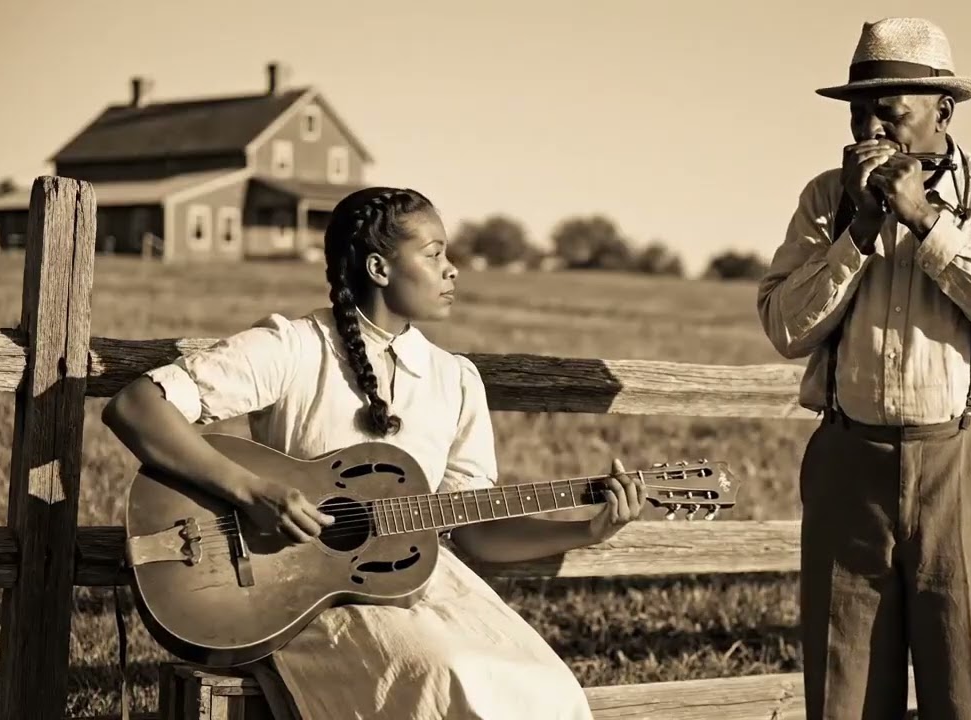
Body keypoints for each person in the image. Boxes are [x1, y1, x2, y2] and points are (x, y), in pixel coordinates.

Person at [103, 186, 647, 719]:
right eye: (434, 254)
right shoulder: (293, 347)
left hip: (429, 586)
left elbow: (473, 526)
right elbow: (136, 408)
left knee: (547, 688)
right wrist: (253, 490)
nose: (453, 268)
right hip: (299, 593)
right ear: (379, 269)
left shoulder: (455, 380)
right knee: (446, 674)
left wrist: (586, 530)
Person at [757, 17, 971, 720]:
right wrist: (858, 232)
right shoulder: (826, 199)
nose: (872, 129)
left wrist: (926, 220)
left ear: (943, 111)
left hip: (969, 464)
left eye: (890, 113)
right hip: (848, 465)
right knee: (846, 699)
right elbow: (784, 327)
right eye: (860, 111)